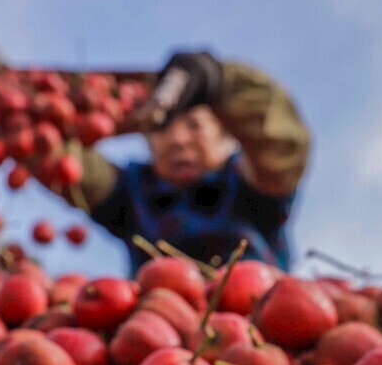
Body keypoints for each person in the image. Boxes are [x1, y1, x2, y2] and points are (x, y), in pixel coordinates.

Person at [57, 51, 310, 276]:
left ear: (228, 136)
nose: (177, 140)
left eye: (194, 125)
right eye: (162, 127)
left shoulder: (250, 184)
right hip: (155, 324)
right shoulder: (132, 193)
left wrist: (218, 81)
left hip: (258, 321)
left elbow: (282, 144)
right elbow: (60, 160)